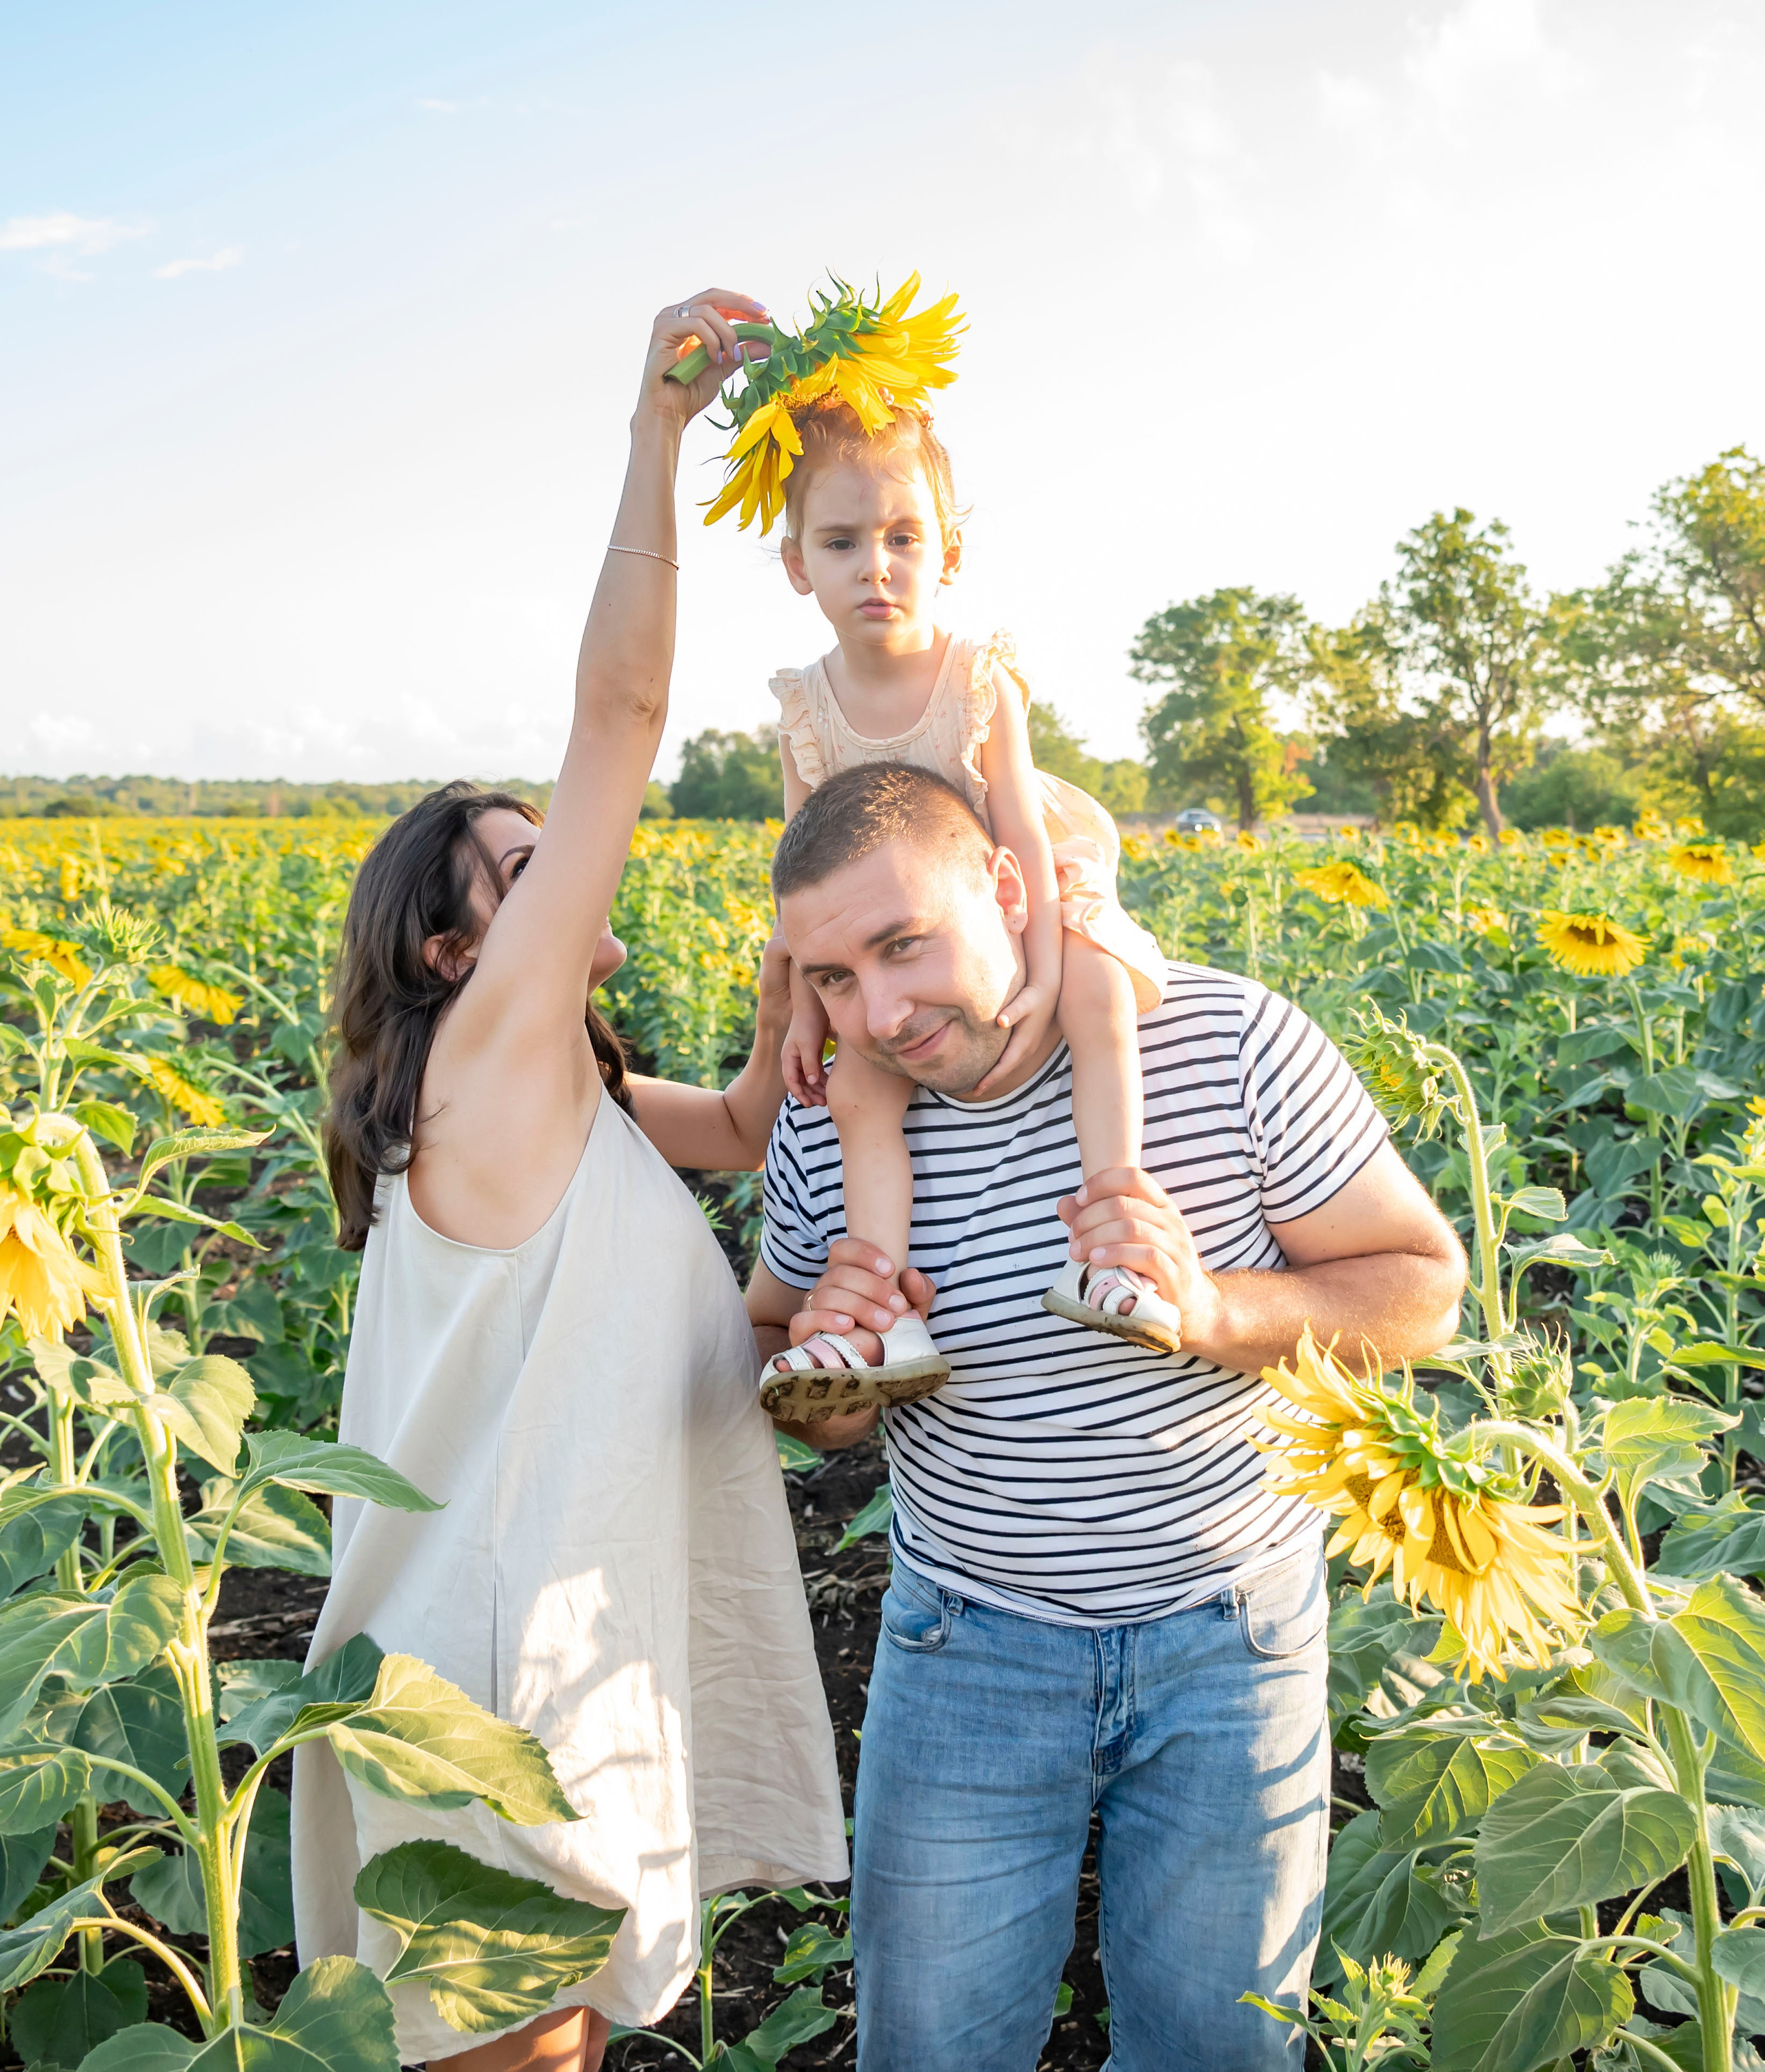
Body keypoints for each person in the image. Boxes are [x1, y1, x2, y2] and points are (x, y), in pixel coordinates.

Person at [291, 291, 847, 2072]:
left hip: (531, 1642)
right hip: (487, 1675)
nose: (566, 870)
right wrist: (656, 437)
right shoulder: (492, 1061)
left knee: (554, 2044)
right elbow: (621, 710)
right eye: (524, 870)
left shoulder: (573, 1096)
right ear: (461, 950)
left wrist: (785, 1005)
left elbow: (752, 1128)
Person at [743, 761, 1468, 2071]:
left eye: (906, 945)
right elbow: (784, 1368)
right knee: (933, 2052)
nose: (884, 1014)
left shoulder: (1227, 1042)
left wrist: (1211, 1310)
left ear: (1007, 887)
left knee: (1215, 2048)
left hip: (1231, 1648)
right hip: (968, 1644)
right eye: (835, 978)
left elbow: (1422, 1288)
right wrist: (829, 1366)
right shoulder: (835, 1118)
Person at [703, 285, 1176, 1424]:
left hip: (1022, 873)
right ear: (794, 565)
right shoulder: (806, 706)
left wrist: (1051, 966)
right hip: (884, 927)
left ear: (948, 551)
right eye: (843, 541)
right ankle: (882, 1308)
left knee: (1108, 998)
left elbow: (1018, 824)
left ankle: (1116, 1236)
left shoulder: (977, 673)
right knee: (860, 1090)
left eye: (903, 538)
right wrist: (807, 1005)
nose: (877, 565)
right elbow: (804, 868)